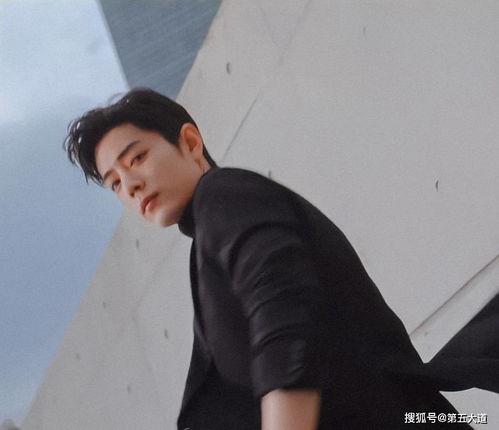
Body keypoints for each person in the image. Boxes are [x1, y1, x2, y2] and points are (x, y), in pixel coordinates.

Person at [64, 88, 490, 429]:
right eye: (115, 183)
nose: (130, 185)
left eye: (137, 158)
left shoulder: (224, 195)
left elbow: (285, 313)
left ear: (190, 142)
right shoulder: (208, 244)